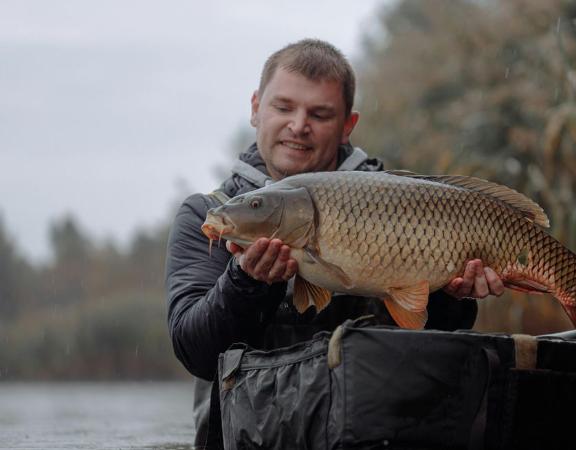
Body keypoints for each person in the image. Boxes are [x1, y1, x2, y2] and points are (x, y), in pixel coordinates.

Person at [165, 39, 503, 448]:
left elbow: (436, 339)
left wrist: (455, 295)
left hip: (379, 435)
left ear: (347, 125)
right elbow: (195, 353)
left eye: (319, 113)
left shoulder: (402, 201)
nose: (298, 125)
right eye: (284, 107)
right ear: (256, 108)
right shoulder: (211, 215)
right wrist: (245, 283)